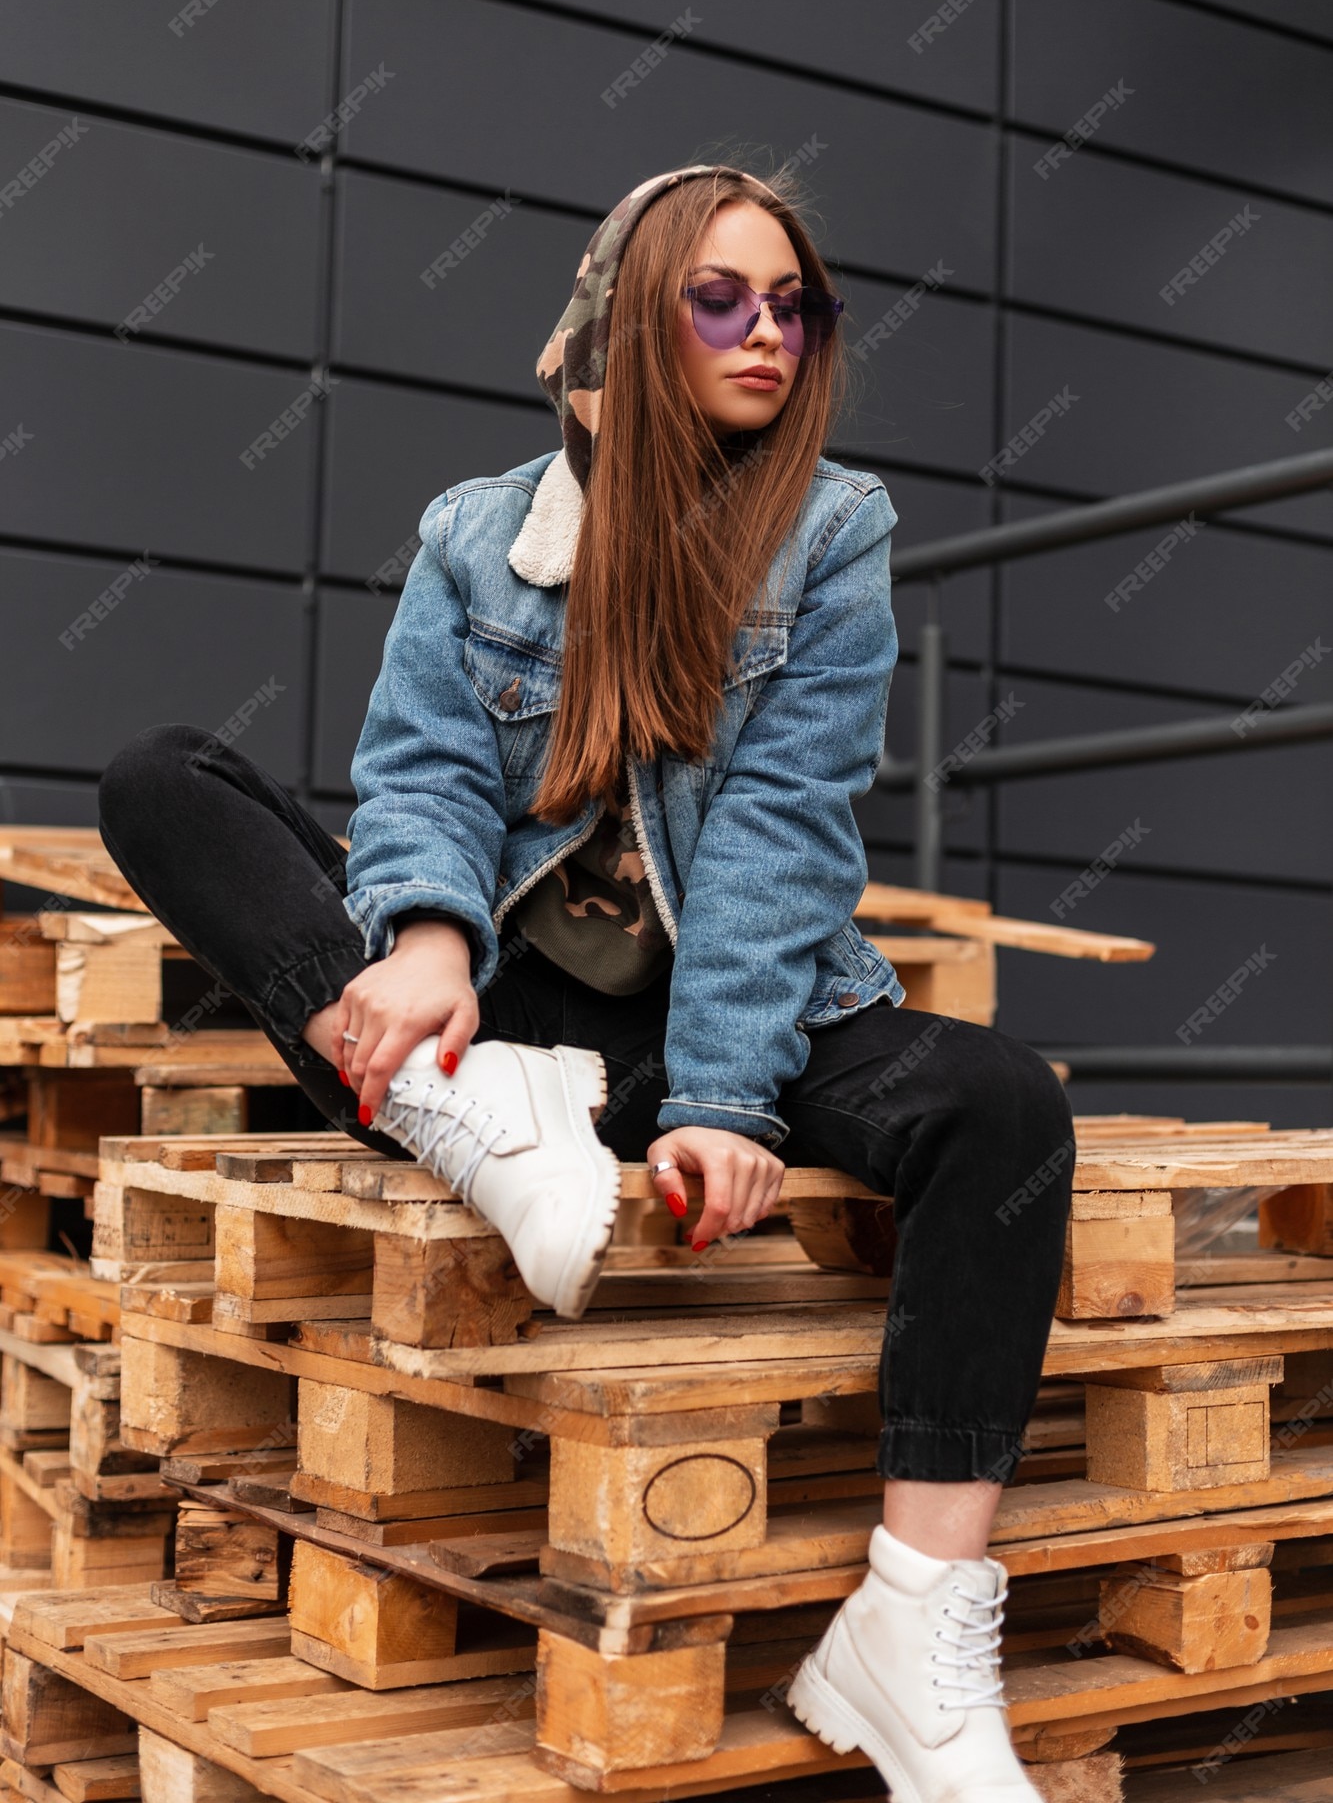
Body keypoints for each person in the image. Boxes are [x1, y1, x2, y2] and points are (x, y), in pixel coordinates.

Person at [98, 159, 1074, 1800]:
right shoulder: (477, 535)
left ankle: (913, 1623)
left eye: (794, 304)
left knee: (1002, 1105)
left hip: (712, 1017)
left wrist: (719, 1098)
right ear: (632, 317)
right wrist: (422, 943)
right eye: (720, 298)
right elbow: (419, 769)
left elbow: (779, 829)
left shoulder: (832, 530)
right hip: (499, 1008)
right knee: (157, 777)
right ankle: (462, 1099)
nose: (768, 332)